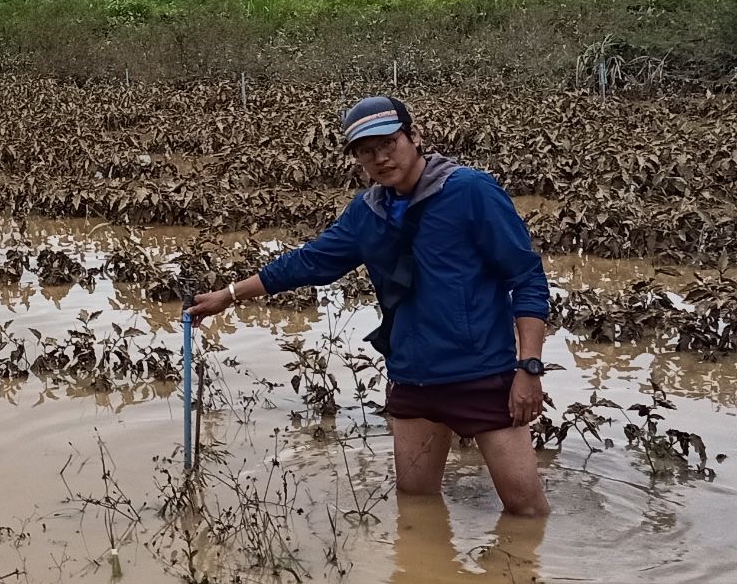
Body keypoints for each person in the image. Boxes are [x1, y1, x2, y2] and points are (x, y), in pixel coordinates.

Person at [186, 95, 552, 518]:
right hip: (413, 378)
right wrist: (228, 295)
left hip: (482, 374)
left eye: (389, 143)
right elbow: (309, 262)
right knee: (416, 507)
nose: (380, 158)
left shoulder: (471, 191)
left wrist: (528, 368)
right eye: (366, 150)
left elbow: (526, 278)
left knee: (527, 511)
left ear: (415, 136)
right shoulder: (368, 211)